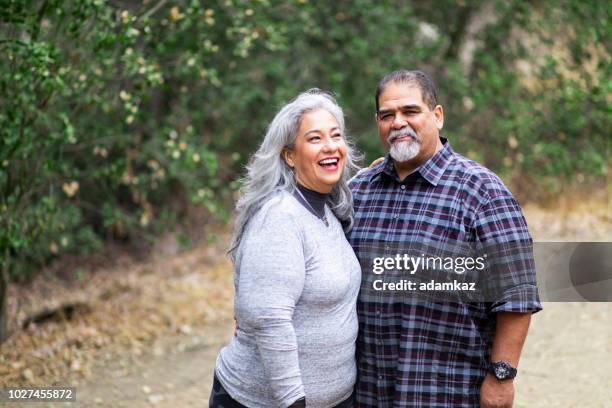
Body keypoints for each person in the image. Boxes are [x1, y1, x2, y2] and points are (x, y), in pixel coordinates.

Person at [348, 70, 542, 407]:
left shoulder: (482, 192)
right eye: (387, 115)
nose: (398, 123)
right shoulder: (358, 193)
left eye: (410, 111)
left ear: (437, 116)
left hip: (447, 390)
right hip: (366, 392)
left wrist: (501, 377)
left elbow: (516, 296)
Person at [211, 89, 361, 408]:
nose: (331, 146)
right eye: (315, 138)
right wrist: (294, 401)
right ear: (289, 155)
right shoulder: (280, 216)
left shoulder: (328, 212)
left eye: (336, 136)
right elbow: (269, 320)